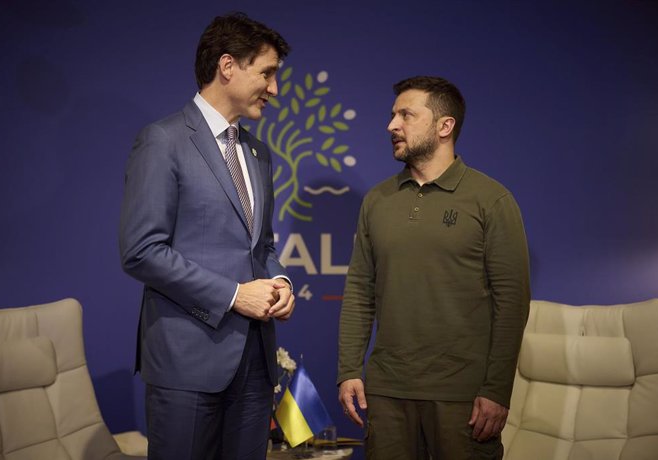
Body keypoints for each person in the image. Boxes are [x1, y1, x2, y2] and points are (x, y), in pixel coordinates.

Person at [119, 12, 295, 460]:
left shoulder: (258, 152)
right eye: (268, 73)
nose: (275, 89)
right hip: (186, 363)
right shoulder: (163, 140)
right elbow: (142, 251)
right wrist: (235, 294)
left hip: (255, 364)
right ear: (227, 66)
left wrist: (279, 283)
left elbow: (263, 245)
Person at [337, 76, 530, 460]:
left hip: (464, 399)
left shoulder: (491, 200)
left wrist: (496, 390)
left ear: (445, 126)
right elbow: (360, 290)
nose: (392, 125)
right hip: (388, 394)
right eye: (393, 115)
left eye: (406, 115)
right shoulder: (377, 201)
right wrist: (348, 370)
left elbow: (512, 303)